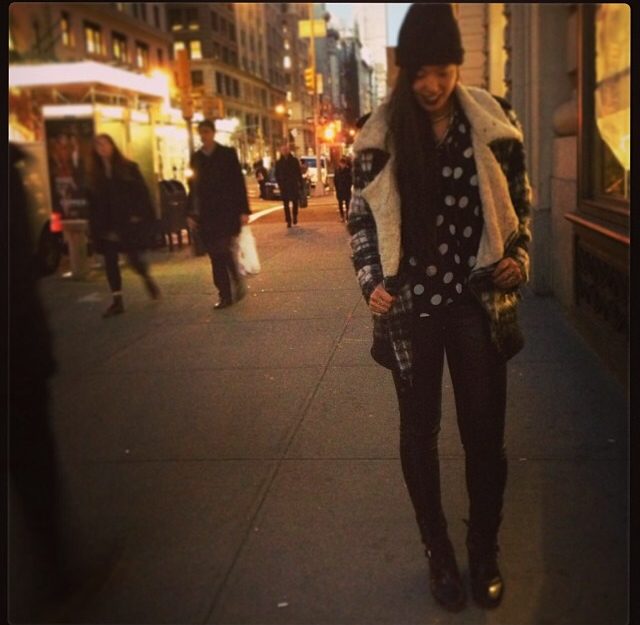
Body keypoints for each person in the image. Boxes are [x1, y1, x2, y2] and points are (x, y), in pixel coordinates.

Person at [348, 3, 531, 613]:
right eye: (420, 72)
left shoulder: (492, 121)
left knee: (485, 436)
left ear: (457, 67)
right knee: (418, 434)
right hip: (411, 309)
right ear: (405, 70)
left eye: (442, 71)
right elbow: (361, 219)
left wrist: (519, 254)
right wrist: (371, 281)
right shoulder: (379, 133)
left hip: (476, 303)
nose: (431, 85)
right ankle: (439, 553)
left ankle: (483, 550)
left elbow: (519, 202)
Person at [87, 134, 160, 318]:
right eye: (98, 145)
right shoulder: (95, 174)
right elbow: (92, 201)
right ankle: (117, 299)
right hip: (106, 224)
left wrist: (139, 215)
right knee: (110, 261)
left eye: (105, 144)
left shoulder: (128, 168)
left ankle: (146, 277)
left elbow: (142, 193)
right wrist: (94, 226)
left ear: (112, 146)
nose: (102, 148)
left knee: (133, 258)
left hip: (126, 222)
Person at [186, 119, 251, 309]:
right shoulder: (196, 158)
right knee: (216, 254)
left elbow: (238, 183)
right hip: (207, 214)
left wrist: (243, 210)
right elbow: (193, 187)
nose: (204, 136)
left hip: (226, 212)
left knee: (221, 250)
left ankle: (228, 290)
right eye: (201, 132)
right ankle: (226, 291)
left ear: (213, 133)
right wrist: (190, 213)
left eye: (207, 132)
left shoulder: (227, 154)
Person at [275, 142, 303, 228]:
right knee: (285, 204)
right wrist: (280, 183)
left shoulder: (294, 161)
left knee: (295, 202)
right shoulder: (279, 162)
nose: (285, 151)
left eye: (286, 150)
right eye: (283, 150)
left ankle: (294, 216)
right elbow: (276, 174)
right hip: (284, 186)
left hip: (293, 184)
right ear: (281, 151)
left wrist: (300, 182)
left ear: (289, 150)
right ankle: (288, 220)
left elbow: (298, 172)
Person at [333, 156, 352, 222]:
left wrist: (349, 186)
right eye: (341, 163)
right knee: (340, 203)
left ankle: (347, 216)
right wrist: (336, 188)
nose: (342, 165)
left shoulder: (348, 170)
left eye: (343, 164)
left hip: (346, 189)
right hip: (340, 189)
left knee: (347, 203)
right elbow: (335, 180)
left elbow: (350, 180)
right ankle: (342, 216)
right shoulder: (337, 171)